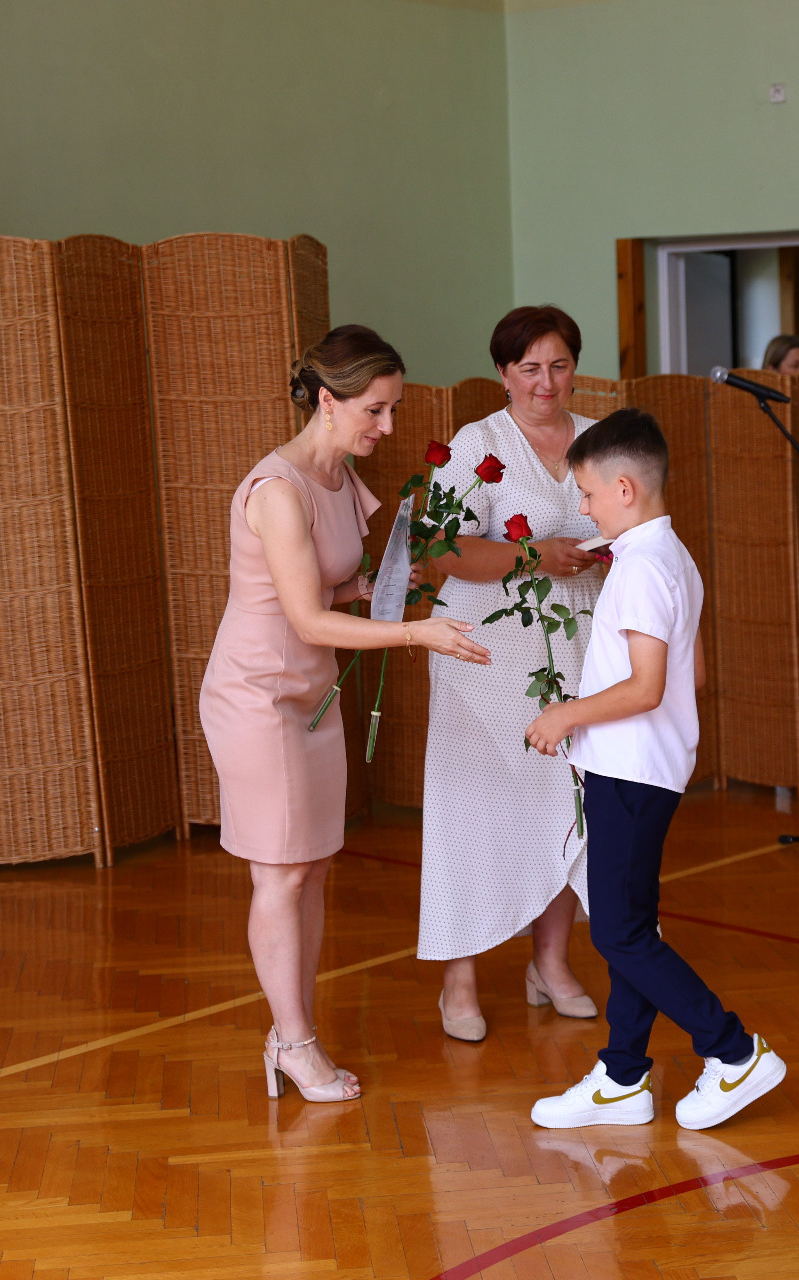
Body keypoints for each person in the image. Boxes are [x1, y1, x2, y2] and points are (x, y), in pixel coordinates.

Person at [199, 324, 490, 1104]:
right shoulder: (278, 490)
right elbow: (304, 619)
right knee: (282, 873)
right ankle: (294, 1043)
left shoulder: (337, 479)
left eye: (392, 410)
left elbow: (323, 591)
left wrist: (372, 588)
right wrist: (416, 633)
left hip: (310, 692)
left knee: (313, 866)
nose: (387, 427)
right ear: (328, 401)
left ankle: (290, 1034)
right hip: (257, 696)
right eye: (375, 411)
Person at [525, 409, 787, 1132]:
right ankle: (621, 1077)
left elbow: (647, 688)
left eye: (587, 493)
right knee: (632, 926)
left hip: (630, 773)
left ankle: (734, 1052)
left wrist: (565, 715)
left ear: (625, 489)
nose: (583, 509)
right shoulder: (674, 557)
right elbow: (690, 677)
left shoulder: (640, 568)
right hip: (650, 769)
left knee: (618, 934)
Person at [419, 305, 604, 1042]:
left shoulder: (601, 440)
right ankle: (458, 978)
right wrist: (533, 555)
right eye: (529, 368)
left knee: (567, 801)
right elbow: (441, 551)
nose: (545, 382)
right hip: (485, 657)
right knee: (470, 809)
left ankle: (549, 964)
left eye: (559, 365)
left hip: (580, 650)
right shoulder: (478, 444)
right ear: (503, 373)